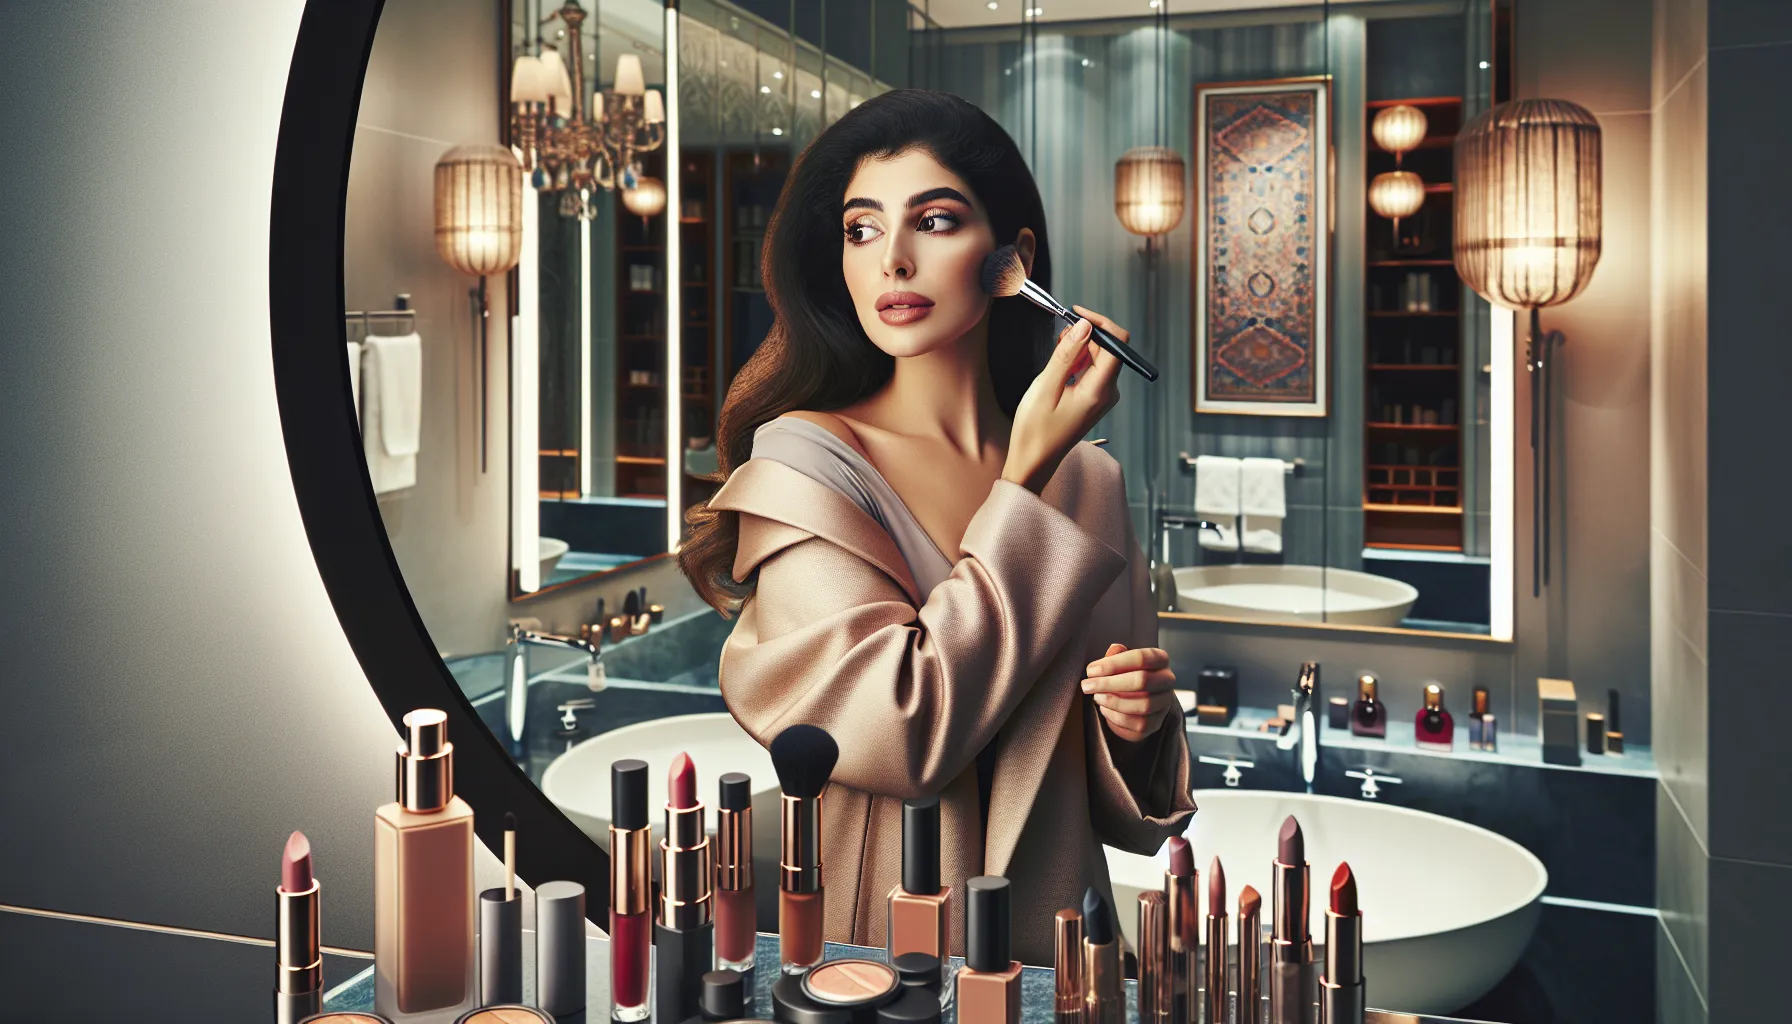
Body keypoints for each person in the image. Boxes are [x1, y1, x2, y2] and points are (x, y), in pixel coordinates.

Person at [677, 89, 1195, 966]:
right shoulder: (805, 465)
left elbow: (1119, 807)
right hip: (890, 945)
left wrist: (1137, 729)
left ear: (1013, 257)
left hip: (1062, 944)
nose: (895, 262)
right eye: (862, 229)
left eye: (937, 219)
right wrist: (1021, 479)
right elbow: (902, 733)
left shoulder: (1091, 479)